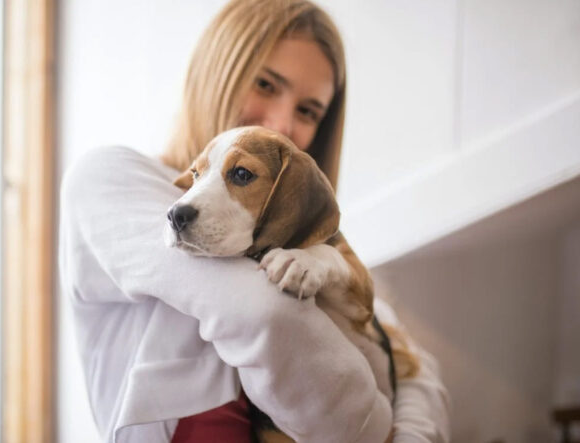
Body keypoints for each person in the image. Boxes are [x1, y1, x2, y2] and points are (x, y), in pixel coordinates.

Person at [59, 1, 450, 442]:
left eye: (308, 112)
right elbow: (266, 316)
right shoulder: (113, 180)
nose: (282, 124)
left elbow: (414, 367)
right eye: (265, 83)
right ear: (215, 69)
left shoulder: (302, 250)